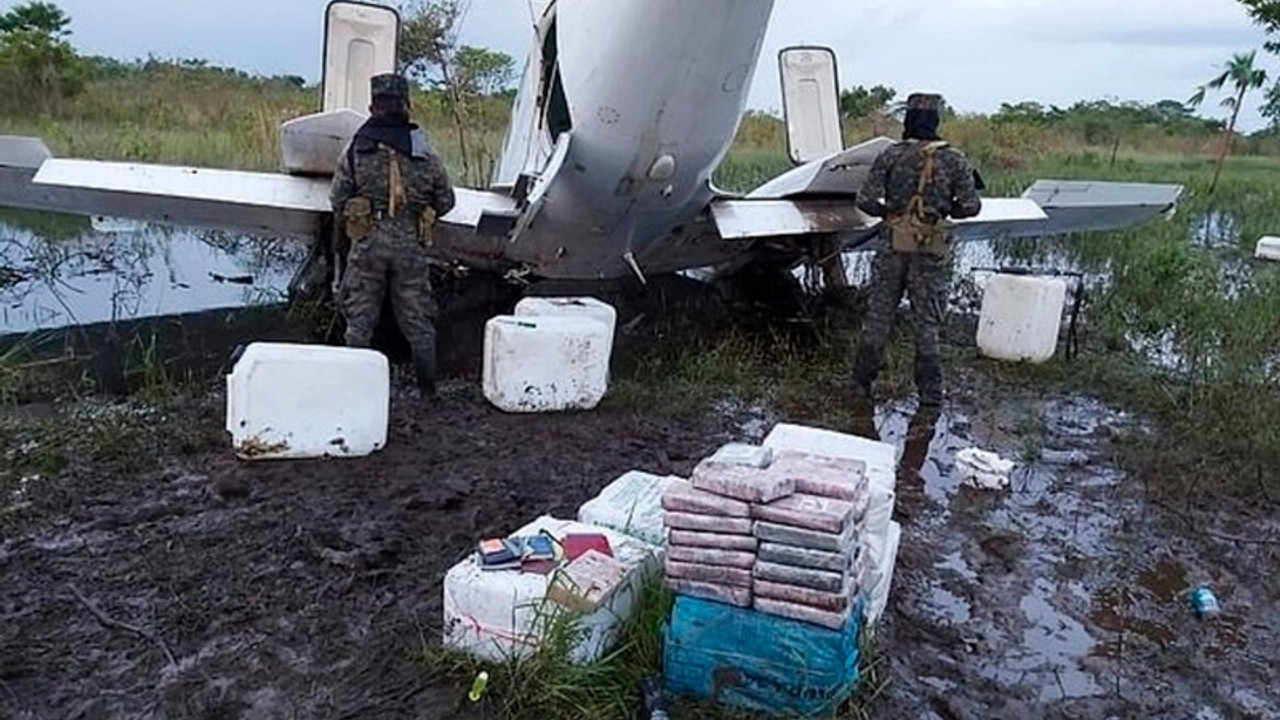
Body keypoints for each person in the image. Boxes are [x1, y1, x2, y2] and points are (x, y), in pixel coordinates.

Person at [330, 72, 456, 400]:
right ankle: (428, 394)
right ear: (407, 106)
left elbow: (337, 198)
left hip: (368, 240)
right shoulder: (422, 148)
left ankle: (352, 393)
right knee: (419, 320)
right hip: (410, 243)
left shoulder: (358, 146)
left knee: (359, 320)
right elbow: (446, 200)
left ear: (373, 107)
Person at [852, 92, 982, 409]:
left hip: (892, 245)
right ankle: (931, 396)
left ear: (907, 121)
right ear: (935, 121)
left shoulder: (890, 155)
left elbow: (865, 201)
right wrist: (941, 209)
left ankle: (860, 386)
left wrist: (891, 215)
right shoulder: (955, 159)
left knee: (879, 317)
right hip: (930, 251)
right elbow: (970, 207)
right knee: (927, 322)